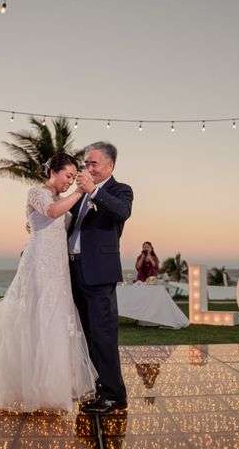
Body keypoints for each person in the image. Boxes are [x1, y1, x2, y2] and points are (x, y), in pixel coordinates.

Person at [0, 153, 97, 412]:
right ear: (53, 172)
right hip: (38, 266)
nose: (70, 181)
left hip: (58, 269)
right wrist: (81, 190)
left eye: (73, 177)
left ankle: (50, 390)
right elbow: (52, 211)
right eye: (68, 176)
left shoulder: (62, 198)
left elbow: (61, 222)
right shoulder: (37, 193)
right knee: (33, 319)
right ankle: (24, 387)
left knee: (54, 322)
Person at [68, 141, 133, 415]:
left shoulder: (120, 190)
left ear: (110, 165)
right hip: (74, 270)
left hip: (99, 273)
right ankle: (98, 389)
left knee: (103, 334)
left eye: (93, 163)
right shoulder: (81, 195)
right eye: (86, 163)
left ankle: (114, 395)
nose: (87, 168)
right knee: (88, 335)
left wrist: (93, 191)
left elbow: (122, 212)